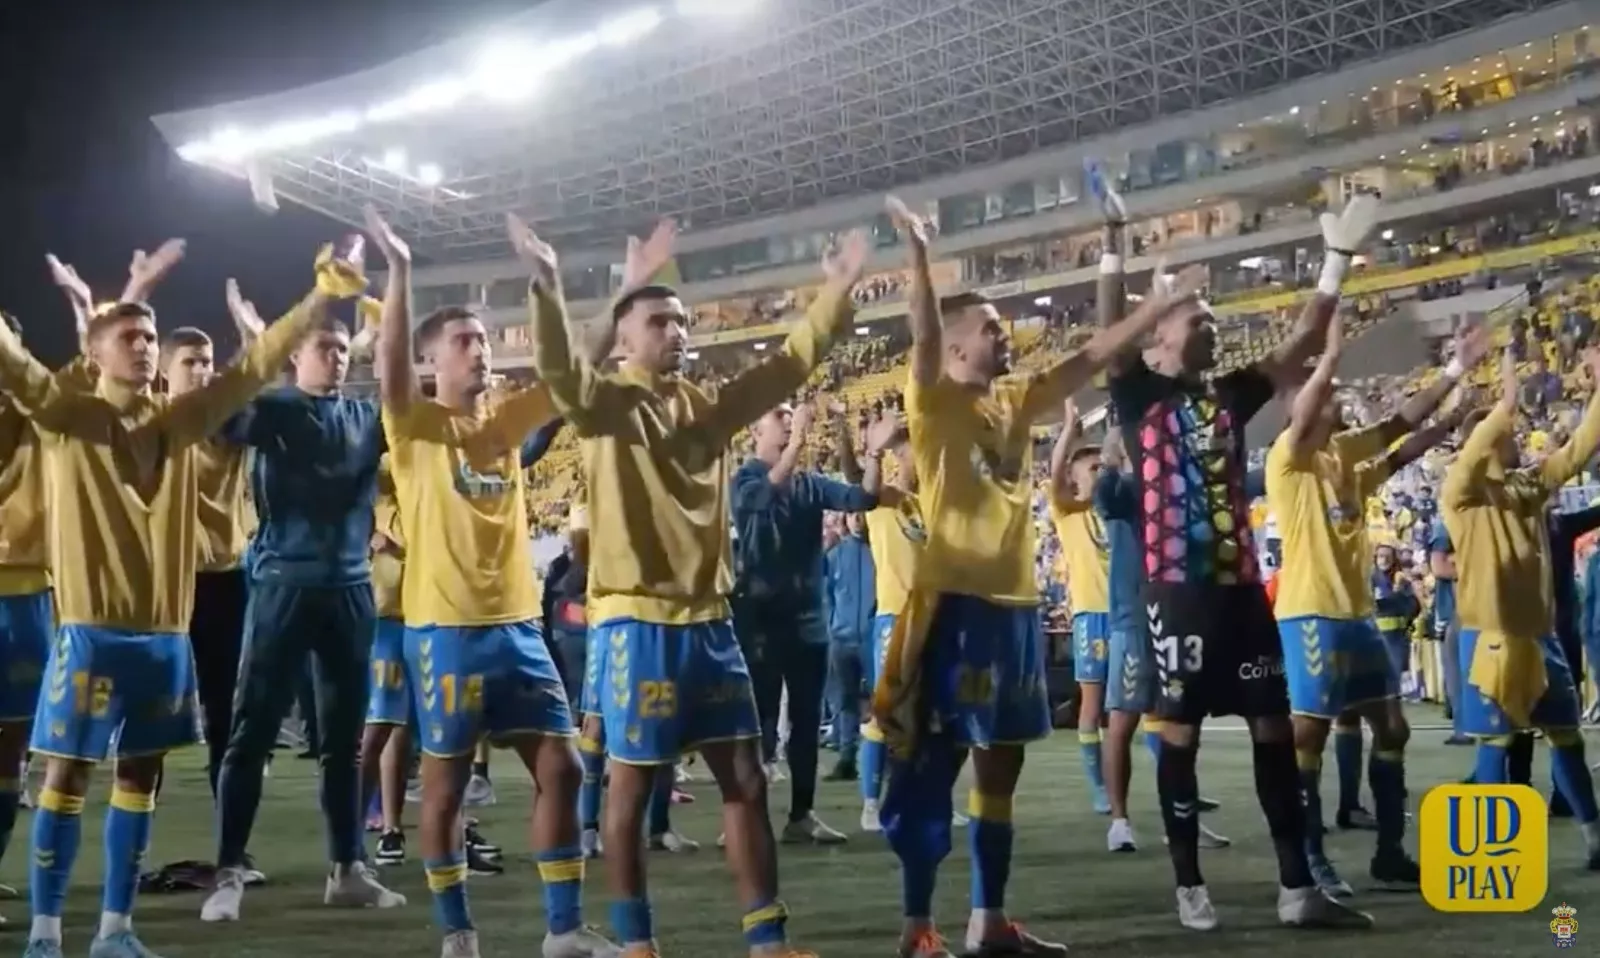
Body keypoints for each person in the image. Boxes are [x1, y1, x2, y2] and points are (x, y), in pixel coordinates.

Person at [526, 208, 865, 955]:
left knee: (746, 777)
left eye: (682, 322)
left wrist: (833, 295)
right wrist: (550, 286)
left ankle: (767, 940)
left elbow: (783, 369)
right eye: (659, 321)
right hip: (636, 626)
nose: (677, 333)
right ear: (623, 337)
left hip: (711, 624)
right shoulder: (604, 405)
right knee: (630, 784)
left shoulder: (705, 410)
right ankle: (637, 942)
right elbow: (559, 370)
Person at [872, 195, 1203, 958]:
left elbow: (1088, 358)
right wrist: (920, 252)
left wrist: (1155, 303)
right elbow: (922, 331)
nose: (1002, 332)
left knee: (1002, 766)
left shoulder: (1017, 402)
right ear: (957, 348)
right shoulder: (931, 399)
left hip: (1017, 612)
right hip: (951, 606)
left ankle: (988, 922)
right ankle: (917, 926)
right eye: (988, 326)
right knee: (931, 765)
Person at [6, 242, 343, 958]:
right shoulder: (68, 415)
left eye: (151, 337)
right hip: (91, 634)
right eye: (128, 337)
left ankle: (115, 931)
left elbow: (256, 365)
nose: (144, 346)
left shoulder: (181, 422)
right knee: (67, 778)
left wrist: (319, 294)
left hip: (165, 639)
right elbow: (15, 364)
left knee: (141, 779)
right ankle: (43, 934)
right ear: (96, 351)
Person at [1105, 194, 1383, 931]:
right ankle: (1190, 882)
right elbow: (1109, 330)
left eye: (1211, 317)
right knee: (1180, 736)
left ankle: (1297, 886)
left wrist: (1336, 262)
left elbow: (1299, 345)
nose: (1212, 324)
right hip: (1177, 596)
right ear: (1160, 338)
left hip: (1243, 592)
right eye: (1197, 318)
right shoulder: (1137, 396)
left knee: (1273, 732)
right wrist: (1113, 239)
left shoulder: (1229, 396)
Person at [368, 208, 617, 958]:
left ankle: (564, 931)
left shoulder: (505, 426)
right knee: (441, 788)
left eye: (482, 340)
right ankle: (457, 933)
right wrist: (402, 272)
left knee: (564, 769)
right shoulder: (413, 428)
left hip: (518, 627)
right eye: (465, 343)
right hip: (445, 631)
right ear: (432, 365)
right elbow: (386, 367)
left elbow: (574, 369)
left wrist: (552, 278)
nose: (480, 351)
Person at [202, 265, 406, 922]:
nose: (338, 356)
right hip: (282, 585)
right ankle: (229, 868)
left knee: (343, 743)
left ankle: (347, 866)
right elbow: (223, 421)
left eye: (345, 348)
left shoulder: (366, 417)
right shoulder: (280, 410)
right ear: (296, 357)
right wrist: (251, 346)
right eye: (325, 347)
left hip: (350, 591)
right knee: (251, 734)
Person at [1266, 313, 1481, 899]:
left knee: (1392, 727)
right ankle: (1309, 859)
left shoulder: (1342, 459)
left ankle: (1389, 853)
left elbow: (1399, 435)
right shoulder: (1288, 457)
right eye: (1322, 392)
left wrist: (1456, 378)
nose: (1334, 397)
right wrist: (1330, 356)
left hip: (1355, 616)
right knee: (1305, 737)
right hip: (1310, 614)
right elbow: (1318, 412)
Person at [1442, 346, 1600, 868]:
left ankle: (1595, 838)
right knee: (1496, 744)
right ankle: (1493, 854)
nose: (1519, 442)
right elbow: (1472, 456)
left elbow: (1578, 450)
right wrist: (1503, 402)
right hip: (1489, 639)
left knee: (1566, 738)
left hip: (1541, 636)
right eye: (1508, 436)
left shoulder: (1525, 488)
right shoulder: (1461, 495)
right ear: (1484, 444)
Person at [733, 403, 889, 843]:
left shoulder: (809, 484)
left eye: (792, 423)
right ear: (755, 434)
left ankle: (801, 815)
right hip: (760, 621)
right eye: (779, 423)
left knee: (803, 723)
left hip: (808, 622)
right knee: (758, 723)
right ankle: (750, 818)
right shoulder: (744, 479)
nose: (788, 429)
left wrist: (873, 456)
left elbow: (864, 499)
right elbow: (763, 497)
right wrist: (799, 441)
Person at [1095, 426, 1232, 855]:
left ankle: (1181, 817)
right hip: (1134, 618)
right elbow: (1104, 492)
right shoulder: (1120, 492)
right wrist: (1112, 449)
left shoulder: (1176, 489)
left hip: (1176, 613)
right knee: (1123, 718)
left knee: (1178, 720)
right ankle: (1119, 820)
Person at [1046, 402, 1112, 815]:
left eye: (1102, 468)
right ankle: (1098, 789)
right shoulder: (1070, 513)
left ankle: (1175, 781)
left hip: (1129, 616)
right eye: (1093, 470)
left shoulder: (1119, 511)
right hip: (1092, 616)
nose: (1100, 475)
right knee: (1092, 705)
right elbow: (1053, 477)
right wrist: (1070, 431)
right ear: (1075, 482)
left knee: (1155, 705)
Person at [823, 510, 879, 785]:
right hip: (841, 639)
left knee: (882, 699)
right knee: (843, 700)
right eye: (852, 514)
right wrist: (831, 628)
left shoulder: (880, 553)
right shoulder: (834, 556)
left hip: (874, 637)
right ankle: (847, 757)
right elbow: (826, 597)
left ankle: (885, 757)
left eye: (862, 514)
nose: (857, 519)